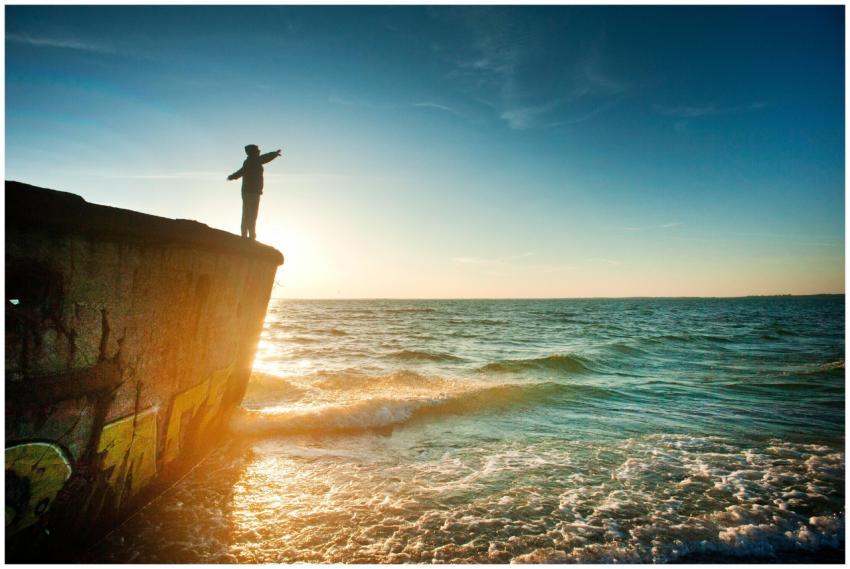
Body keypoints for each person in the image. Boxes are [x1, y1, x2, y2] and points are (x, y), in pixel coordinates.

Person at [227, 144, 282, 239]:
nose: (259, 150)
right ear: (254, 151)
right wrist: (274, 154)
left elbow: (241, 172)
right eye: (257, 149)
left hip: (246, 191)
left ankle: (244, 234)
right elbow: (265, 158)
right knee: (252, 214)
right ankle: (251, 236)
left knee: (246, 213)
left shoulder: (248, 161)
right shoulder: (255, 160)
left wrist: (232, 176)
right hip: (253, 192)